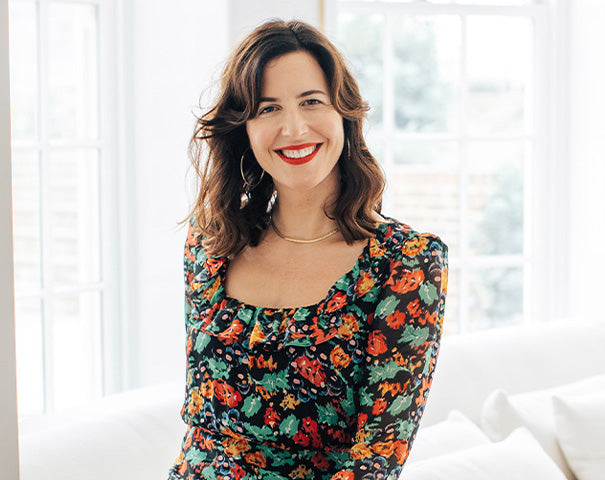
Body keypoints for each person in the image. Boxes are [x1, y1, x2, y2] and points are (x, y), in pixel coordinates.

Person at [168, 19, 448, 480]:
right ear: (244, 128)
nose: (293, 128)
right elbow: (200, 432)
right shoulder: (210, 242)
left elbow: (377, 457)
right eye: (268, 109)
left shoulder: (406, 263)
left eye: (311, 101)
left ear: (344, 114)